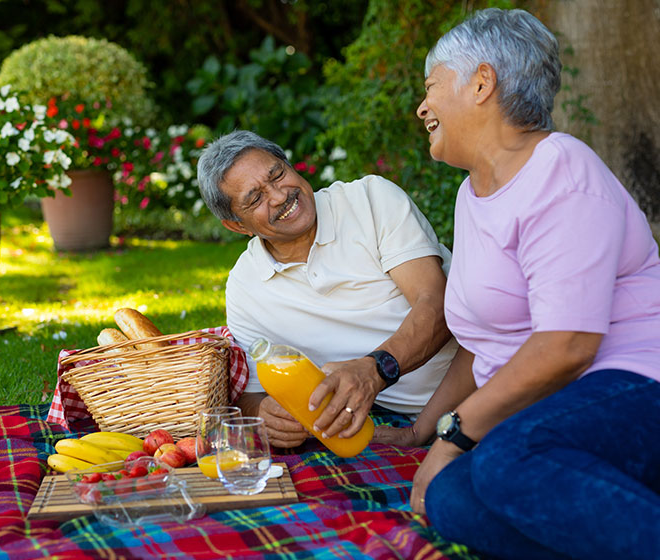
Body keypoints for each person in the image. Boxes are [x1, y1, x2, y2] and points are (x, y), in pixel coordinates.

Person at [387, 8, 660, 560]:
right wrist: (423, 432)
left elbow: (567, 346)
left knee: (505, 460)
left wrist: (455, 433)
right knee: (451, 498)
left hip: (634, 384)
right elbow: (486, 341)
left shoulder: (560, 169)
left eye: (431, 87)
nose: (422, 106)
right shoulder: (473, 194)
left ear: (482, 83)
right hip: (547, 407)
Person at [196, 130, 459, 449]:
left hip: (476, 390)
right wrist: (265, 414)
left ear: (289, 164)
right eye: (255, 198)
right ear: (238, 225)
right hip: (373, 420)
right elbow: (252, 394)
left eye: (277, 174)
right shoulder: (245, 286)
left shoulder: (370, 200)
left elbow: (437, 302)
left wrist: (375, 370)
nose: (279, 196)